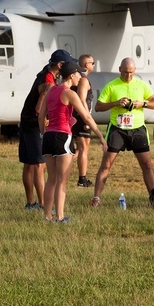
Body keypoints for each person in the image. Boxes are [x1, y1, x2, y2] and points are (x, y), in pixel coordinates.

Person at [40, 61, 107, 223]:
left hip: (48, 137)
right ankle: (60, 217)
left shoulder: (51, 91)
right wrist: (100, 136)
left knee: (51, 179)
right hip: (62, 137)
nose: (80, 77)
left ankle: (47, 217)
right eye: (78, 74)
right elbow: (86, 116)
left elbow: (42, 115)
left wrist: (44, 133)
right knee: (62, 181)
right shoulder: (69, 93)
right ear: (71, 75)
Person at [91, 58, 154, 206]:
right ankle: (96, 198)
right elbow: (98, 107)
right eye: (125, 73)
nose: (128, 76)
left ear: (134, 71)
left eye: (131, 73)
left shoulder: (142, 85)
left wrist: (143, 103)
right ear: (119, 70)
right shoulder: (111, 86)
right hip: (117, 129)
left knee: (147, 165)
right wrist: (116, 103)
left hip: (137, 129)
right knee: (106, 164)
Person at [19, 50, 74, 211]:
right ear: (60, 65)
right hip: (35, 124)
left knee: (29, 164)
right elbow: (39, 109)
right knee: (39, 166)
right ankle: (44, 204)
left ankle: (31, 203)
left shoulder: (43, 74)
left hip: (25, 121)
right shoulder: (48, 80)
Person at [71, 54, 97, 187]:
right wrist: (87, 117)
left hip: (78, 117)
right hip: (81, 118)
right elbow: (81, 99)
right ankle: (82, 179)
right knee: (82, 149)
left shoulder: (79, 78)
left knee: (81, 149)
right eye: (92, 63)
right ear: (86, 65)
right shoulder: (83, 80)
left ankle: (81, 177)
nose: (94, 65)